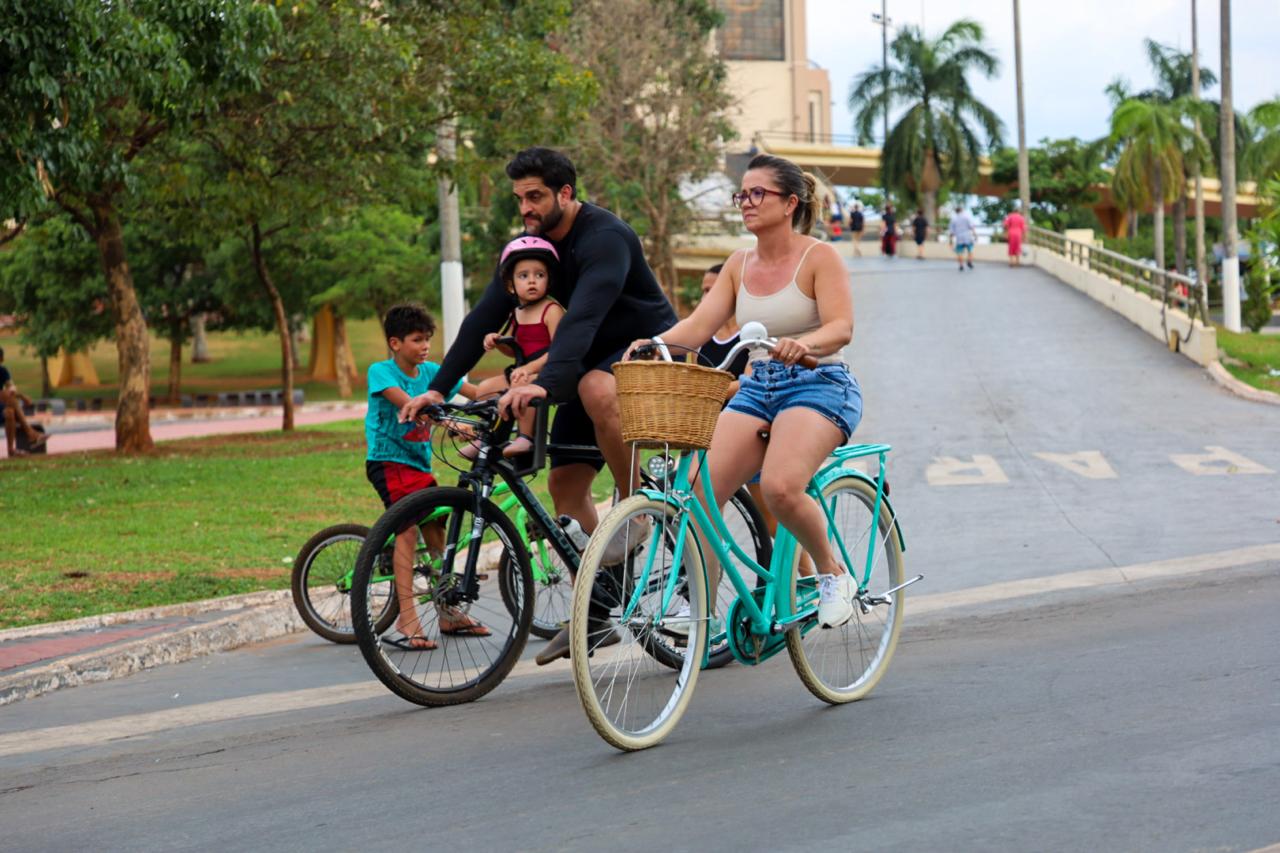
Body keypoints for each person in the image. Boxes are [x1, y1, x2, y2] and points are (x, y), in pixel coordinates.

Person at [401, 147, 678, 664]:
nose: (525, 208)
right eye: (519, 198)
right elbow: (483, 318)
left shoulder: (605, 237)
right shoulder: (530, 250)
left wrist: (545, 382)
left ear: (565, 194)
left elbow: (584, 319)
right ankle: (600, 607)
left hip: (643, 351)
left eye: (535, 197)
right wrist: (438, 388)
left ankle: (636, 505)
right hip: (582, 360)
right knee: (564, 486)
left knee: (595, 388)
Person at [625, 153, 862, 629]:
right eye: (742, 195)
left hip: (819, 384)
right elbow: (698, 327)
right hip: (758, 388)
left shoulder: (819, 257)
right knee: (697, 493)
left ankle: (833, 574)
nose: (746, 203)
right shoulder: (738, 264)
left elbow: (841, 327)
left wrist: (804, 344)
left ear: (789, 202)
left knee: (779, 487)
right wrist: (654, 343)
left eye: (758, 193)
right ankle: (701, 610)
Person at [365, 304, 483, 651]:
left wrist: (515, 387)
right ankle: (407, 618)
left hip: (418, 466)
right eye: (417, 339)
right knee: (407, 530)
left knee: (436, 529)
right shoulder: (381, 372)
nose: (425, 346)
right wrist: (452, 423)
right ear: (395, 343)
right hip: (389, 462)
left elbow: (476, 393)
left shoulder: (433, 371)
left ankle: (447, 611)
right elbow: (412, 405)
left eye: (428, 339)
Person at [464, 235, 566, 459]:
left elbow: (560, 350)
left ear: (549, 280)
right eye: (523, 276)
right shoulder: (516, 313)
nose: (532, 281)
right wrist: (499, 343)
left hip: (546, 372)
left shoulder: (551, 310)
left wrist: (529, 369)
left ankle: (525, 437)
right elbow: (516, 349)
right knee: (485, 389)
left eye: (539, 275)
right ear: (511, 285)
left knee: (522, 387)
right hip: (522, 370)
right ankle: (488, 436)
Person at [1, 347, 48, 458]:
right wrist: (21, 396)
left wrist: (13, 390)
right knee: (10, 399)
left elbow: (10, 386)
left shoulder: (2, 371)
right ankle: (30, 432)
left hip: (1, 407)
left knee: (9, 412)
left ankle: (11, 451)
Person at [949, 204, 977, 271]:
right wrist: (975, 235)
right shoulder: (966, 217)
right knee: (970, 250)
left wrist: (950, 240)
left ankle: (961, 265)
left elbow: (951, 231)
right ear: (962, 210)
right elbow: (972, 227)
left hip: (959, 238)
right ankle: (969, 261)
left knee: (959, 252)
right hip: (967, 237)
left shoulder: (953, 219)